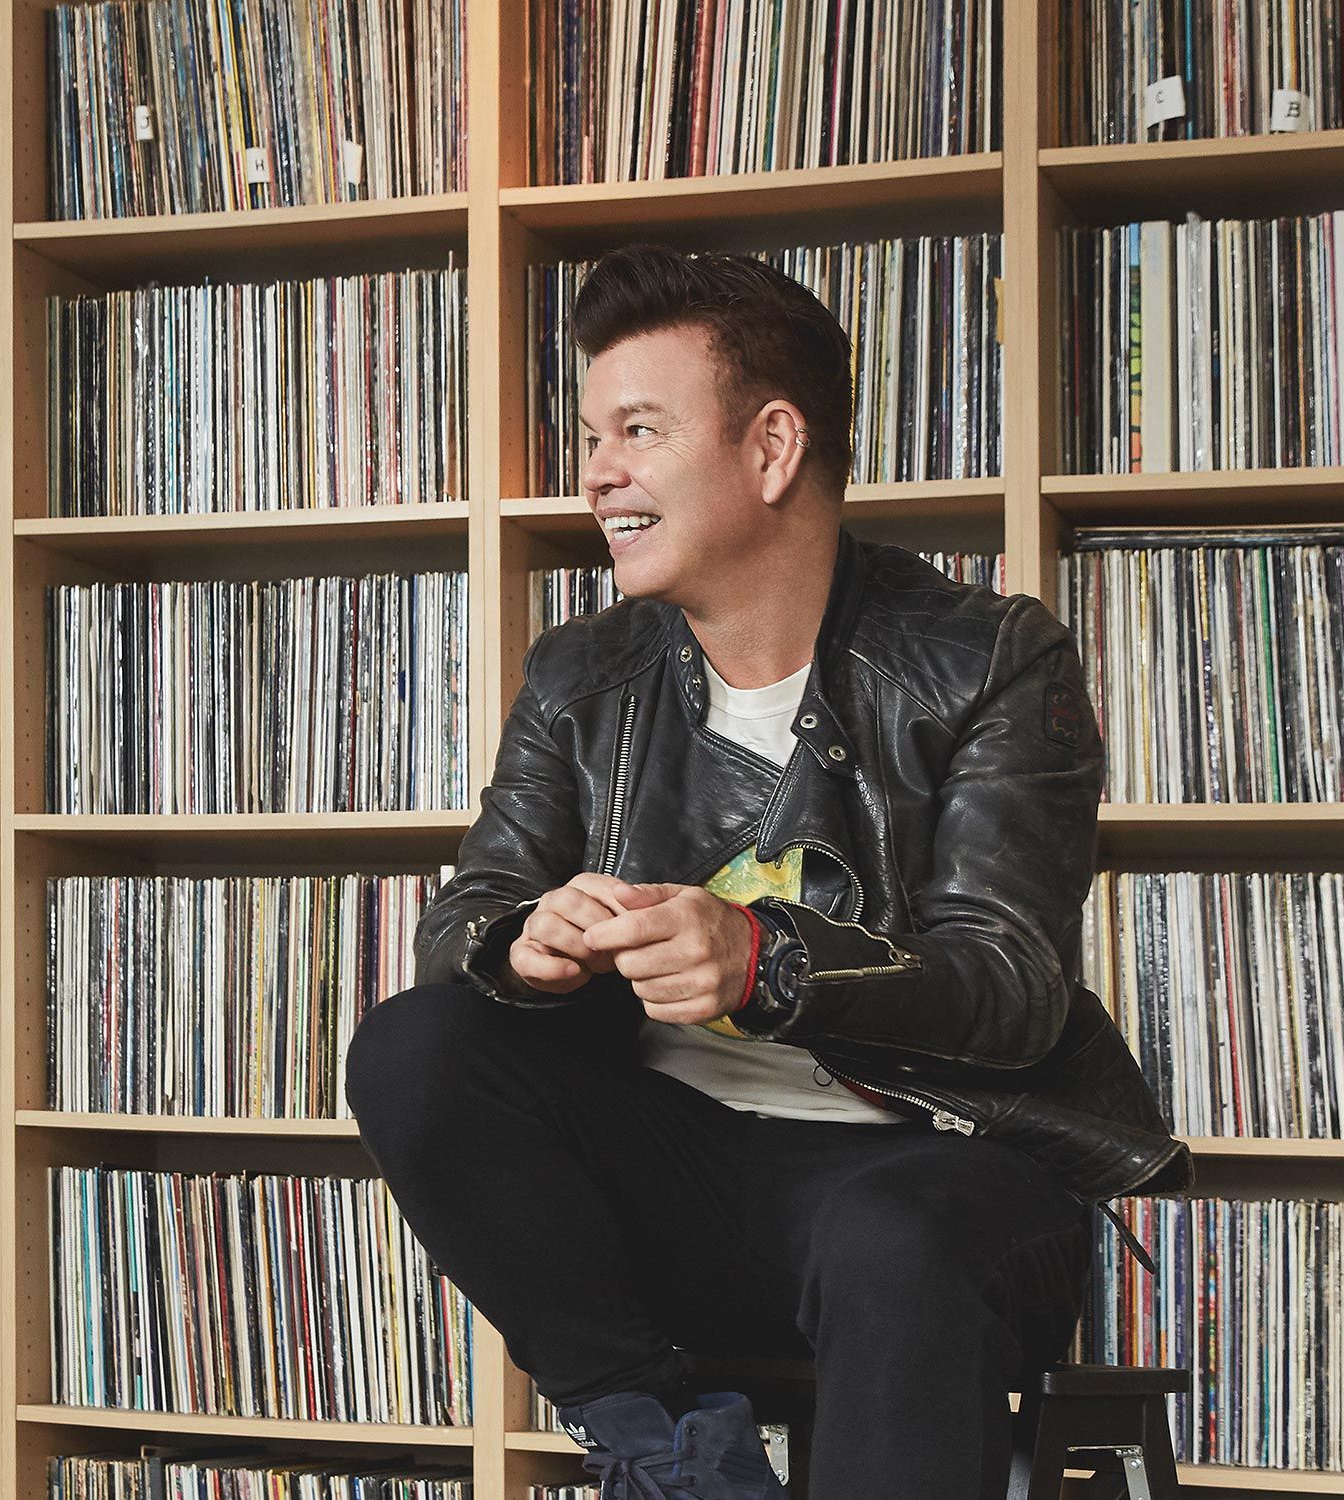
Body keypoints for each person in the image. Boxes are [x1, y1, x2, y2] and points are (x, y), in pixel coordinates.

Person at [345, 244, 1190, 1500]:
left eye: (637, 429)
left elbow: (1010, 985)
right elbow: (465, 920)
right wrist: (526, 942)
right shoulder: (582, 675)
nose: (596, 473)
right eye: (592, 434)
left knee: (889, 1239)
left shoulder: (987, 658)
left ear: (772, 446)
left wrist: (767, 960)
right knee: (414, 1047)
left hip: (929, 1164)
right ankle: (671, 1448)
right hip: (673, 1167)